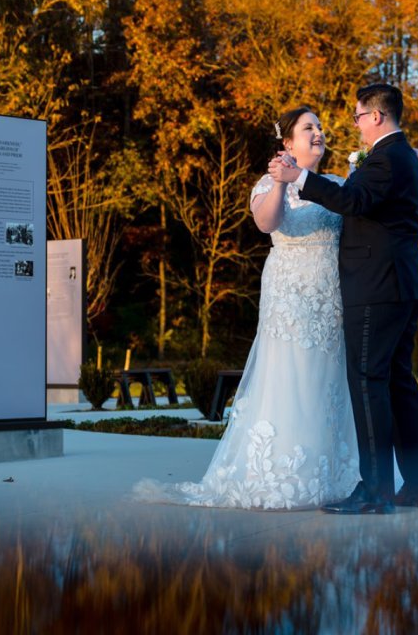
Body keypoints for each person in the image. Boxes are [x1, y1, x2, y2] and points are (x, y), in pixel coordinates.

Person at [135, 106, 359, 510]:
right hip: (290, 295)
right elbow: (266, 224)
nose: (319, 133)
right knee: (290, 376)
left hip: (331, 294)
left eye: (321, 127)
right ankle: (287, 474)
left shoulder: (337, 184)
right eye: (309, 128)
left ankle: (335, 474)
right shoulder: (268, 183)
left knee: (328, 381)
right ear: (288, 142)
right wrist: (279, 182)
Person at [269, 83, 418, 514]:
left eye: (359, 116)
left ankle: (376, 491)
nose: (356, 124)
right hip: (401, 285)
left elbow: (353, 200)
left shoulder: (386, 158)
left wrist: (299, 178)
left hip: (377, 287)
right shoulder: (399, 157)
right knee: (399, 386)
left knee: (368, 386)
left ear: (376, 117)